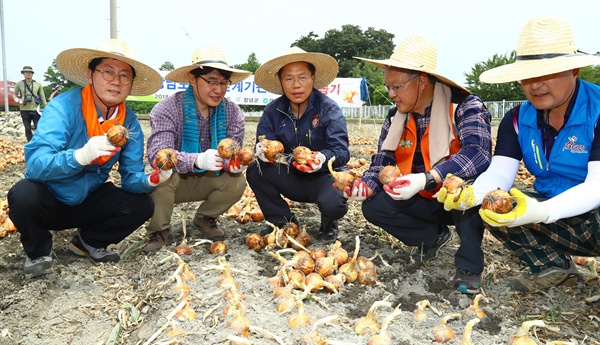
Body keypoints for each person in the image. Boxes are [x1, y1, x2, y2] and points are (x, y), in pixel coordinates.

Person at [438, 16, 600, 293]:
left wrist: (543, 211)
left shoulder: (597, 110)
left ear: (574, 70)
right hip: (558, 209)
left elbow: (597, 186)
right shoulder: (516, 119)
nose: (535, 85)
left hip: (592, 213)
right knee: (493, 204)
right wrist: (473, 196)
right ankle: (553, 268)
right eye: (528, 76)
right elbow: (500, 173)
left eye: (546, 73)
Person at [7, 39, 168, 277]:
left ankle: (88, 242)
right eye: (108, 72)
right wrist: (81, 156)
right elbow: (36, 164)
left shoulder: (129, 123)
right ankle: (38, 250)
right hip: (49, 198)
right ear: (90, 75)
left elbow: (131, 177)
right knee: (23, 195)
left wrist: (152, 179)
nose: (116, 81)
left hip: (87, 199)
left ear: (131, 84)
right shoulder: (63, 107)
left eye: (124, 76)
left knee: (141, 204)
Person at [351, 35, 492, 294]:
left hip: (453, 199)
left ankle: (469, 266)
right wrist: (367, 186)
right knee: (375, 206)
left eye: (397, 87)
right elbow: (382, 161)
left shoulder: (465, 106)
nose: (391, 94)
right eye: (389, 87)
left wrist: (430, 177)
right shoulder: (396, 117)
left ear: (422, 81)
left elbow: (478, 152)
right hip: (419, 197)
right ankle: (432, 237)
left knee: (464, 191)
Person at [144, 45, 252, 252]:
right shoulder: (167, 108)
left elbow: (232, 151)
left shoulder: (232, 112)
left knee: (236, 182)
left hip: (210, 178)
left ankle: (205, 218)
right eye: (211, 82)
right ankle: (159, 230)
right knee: (161, 177)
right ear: (193, 79)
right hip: (175, 180)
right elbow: (158, 155)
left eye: (223, 83)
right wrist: (196, 160)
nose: (218, 89)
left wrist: (235, 164)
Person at [246, 47, 350, 240]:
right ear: (281, 82)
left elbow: (341, 151)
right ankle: (283, 221)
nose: (296, 85)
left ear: (313, 78)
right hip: (291, 175)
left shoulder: (328, 109)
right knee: (255, 169)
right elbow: (263, 143)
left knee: (334, 204)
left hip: (323, 177)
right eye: (289, 78)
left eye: (302, 77)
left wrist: (321, 159)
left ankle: (329, 223)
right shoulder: (273, 110)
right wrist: (261, 150)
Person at [13, 66, 47, 142]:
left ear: (32, 74)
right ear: (23, 74)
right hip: (24, 109)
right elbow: (14, 94)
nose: (28, 74)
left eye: (30, 72)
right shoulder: (19, 83)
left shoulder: (37, 84)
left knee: (38, 127)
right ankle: (30, 142)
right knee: (27, 128)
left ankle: (38, 142)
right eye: (26, 72)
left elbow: (42, 95)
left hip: (35, 109)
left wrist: (45, 106)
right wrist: (18, 100)